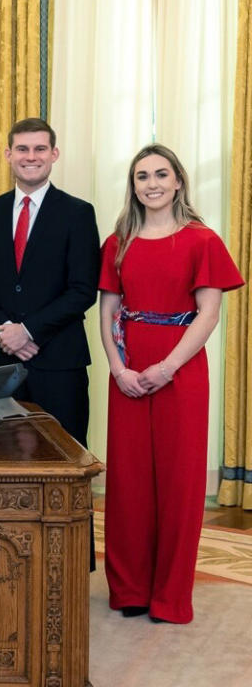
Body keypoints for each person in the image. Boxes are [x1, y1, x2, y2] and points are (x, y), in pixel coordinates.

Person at [98, 144, 243, 624]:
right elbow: (108, 312)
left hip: (179, 372)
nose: (152, 184)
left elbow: (209, 313)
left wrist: (167, 367)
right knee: (128, 481)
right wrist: (120, 370)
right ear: (133, 185)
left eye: (161, 174)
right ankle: (131, 589)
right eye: (142, 176)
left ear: (178, 180)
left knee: (179, 483)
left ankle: (170, 597)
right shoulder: (118, 241)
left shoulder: (202, 240)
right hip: (129, 373)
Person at [0, 117, 100, 446]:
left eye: (40, 148)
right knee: (3, 456)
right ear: (8, 154)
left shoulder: (78, 213)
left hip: (59, 361)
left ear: (54, 154)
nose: (31, 156)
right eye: (22, 149)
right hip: (3, 359)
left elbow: (83, 289)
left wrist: (28, 330)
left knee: (64, 455)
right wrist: (7, 330)